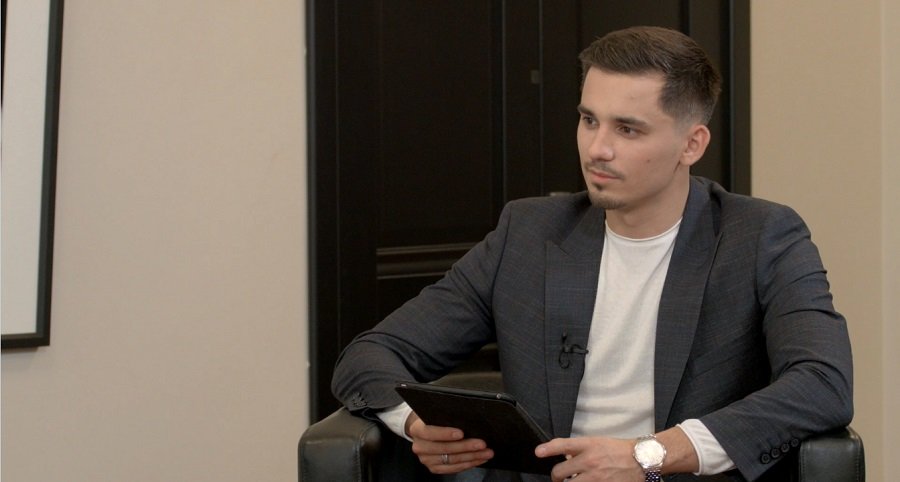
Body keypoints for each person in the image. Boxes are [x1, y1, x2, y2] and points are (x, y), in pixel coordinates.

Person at [331, 26, 853, 482]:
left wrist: (648, 457)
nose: (597, 148)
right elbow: (371, 355)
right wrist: (417, 423)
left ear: (691, 145)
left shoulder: (761, 237)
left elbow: (822, 383)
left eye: (627, 129)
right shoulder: (527, 233)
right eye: (588, 120)